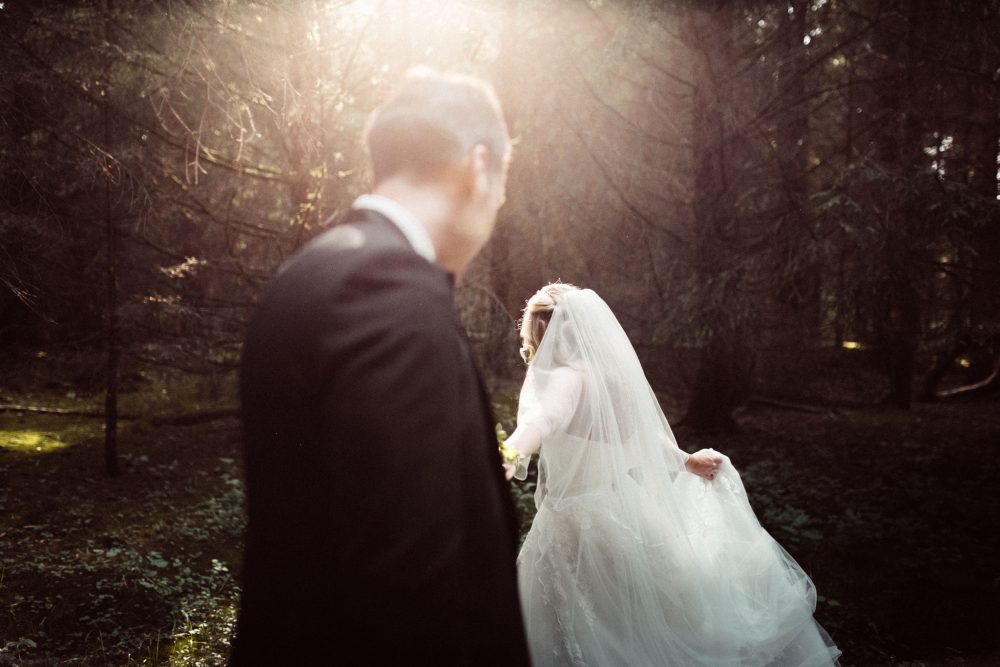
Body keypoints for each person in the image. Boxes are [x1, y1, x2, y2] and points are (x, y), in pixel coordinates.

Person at [231, 68, 531, 666]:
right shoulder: (391, 294)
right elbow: (411, 587)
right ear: (478, 169)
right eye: (502, 185)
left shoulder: (308, 272)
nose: (497, 205)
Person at [503, 283, 841, 667]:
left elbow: (543, 419)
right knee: (642, 627)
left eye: (541, 330)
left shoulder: (565, 378)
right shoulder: (609, 377)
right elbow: (640, 437)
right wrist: (685, 461)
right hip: (624, 513)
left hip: (574, 528)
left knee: (590, 633)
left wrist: (510, 454)